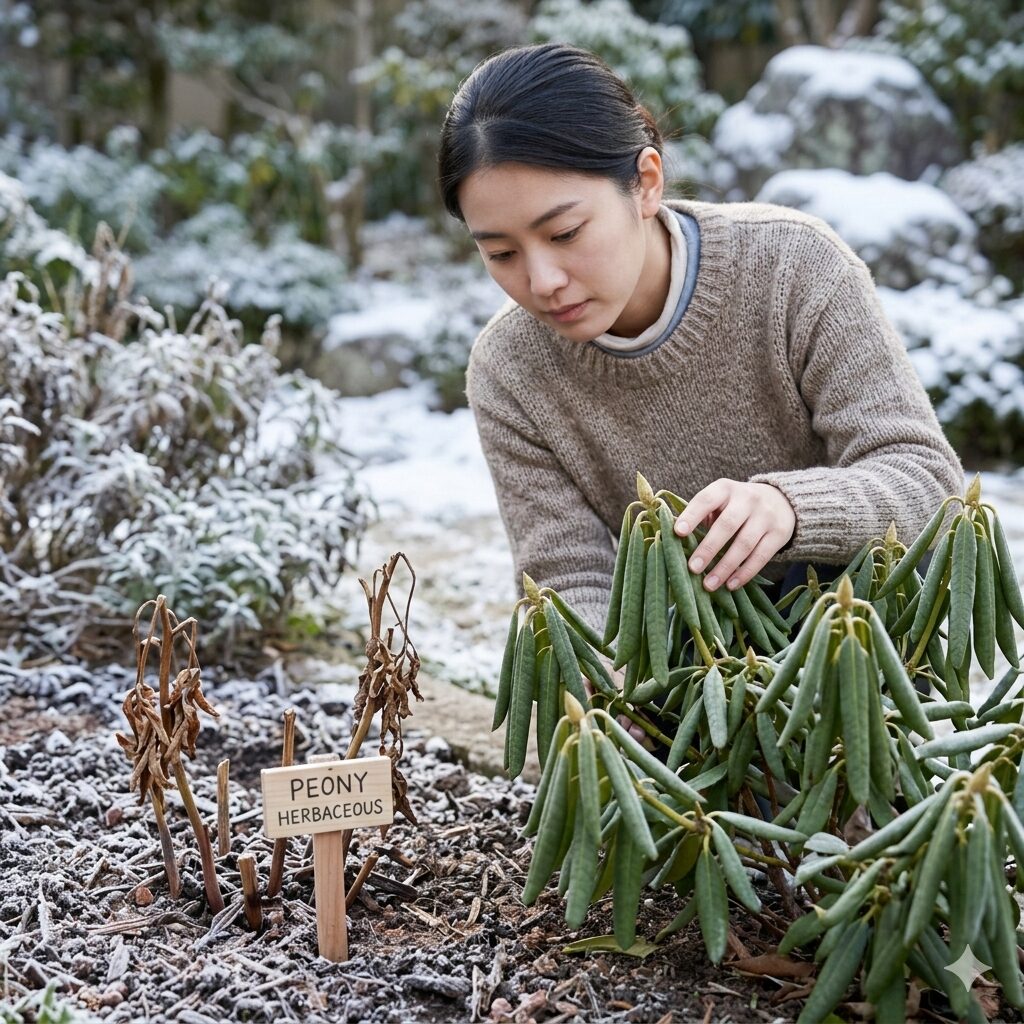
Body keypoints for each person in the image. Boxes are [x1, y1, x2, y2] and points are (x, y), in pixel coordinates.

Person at [437, 42, 963, 635]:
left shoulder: (793, 267)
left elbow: (925, 479)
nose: (541, 282)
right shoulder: (510, 368)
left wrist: (791, 509)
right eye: (501, 253)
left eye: (564, 233)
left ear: (646, 182)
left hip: (858, 645)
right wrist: (593, 675)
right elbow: (567, 578)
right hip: (683, 665)